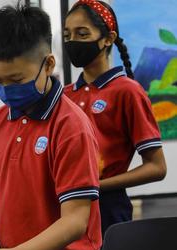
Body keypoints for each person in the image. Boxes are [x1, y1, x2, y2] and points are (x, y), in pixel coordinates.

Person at [0, 4, 106, 250]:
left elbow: (75, 220)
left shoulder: (70, 126)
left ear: (48, 64)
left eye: (16, 80)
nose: (6, 90)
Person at [63, 0, 167, 236]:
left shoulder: (128, 91)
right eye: (68, 35)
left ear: (108, 39)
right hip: (66, 206)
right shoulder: (65, 95)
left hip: (108, 208)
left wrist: (97, 186)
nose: (73, 42)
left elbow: (157, 167)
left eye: (82, 34)